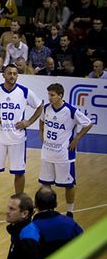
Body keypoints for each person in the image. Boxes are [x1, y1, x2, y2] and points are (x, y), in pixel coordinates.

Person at [0, 64, 43, 215]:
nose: (12, 76)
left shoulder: (24, 92)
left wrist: (28, 122)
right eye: (9, 73)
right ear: (3, 75)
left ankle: (20, 204)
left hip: (18, 138)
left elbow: (40, 106)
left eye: (15, 73)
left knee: (19, 172)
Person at [39, 83, 93, 217]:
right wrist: (41, 134)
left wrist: (77, 138)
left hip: (64, 155)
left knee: (68, 184)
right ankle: (47, 210)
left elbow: (88, 123)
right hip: (47, 152)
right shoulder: (46, 108)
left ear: (60, 96)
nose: (50, 98)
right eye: (49, 95)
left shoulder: (71, 110)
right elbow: (41, 121)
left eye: (52, 95)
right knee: (45, 184)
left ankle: (70, 211)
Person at [5, 193, 41, 259]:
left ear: (24, 214)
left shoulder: (28, 239)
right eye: (8, 207)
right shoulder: (18, 229)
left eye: (12, 209)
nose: (7, 212)